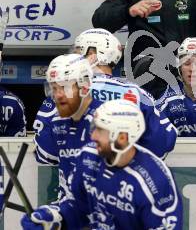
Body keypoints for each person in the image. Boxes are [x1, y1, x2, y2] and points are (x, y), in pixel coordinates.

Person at [22, 99, 182, 229]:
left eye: (101, 130)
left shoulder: (156, 181)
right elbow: (79, 207)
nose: (93, 136)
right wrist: (56, 217)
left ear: (122, 138)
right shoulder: (88, 157)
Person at [33, 28, 177, 168]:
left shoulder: (66, 89)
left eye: (77, 52)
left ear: (91, 54)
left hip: (75, 186)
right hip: (123, 185)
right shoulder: (136, 93)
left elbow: (46, 152)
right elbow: (163, 142)